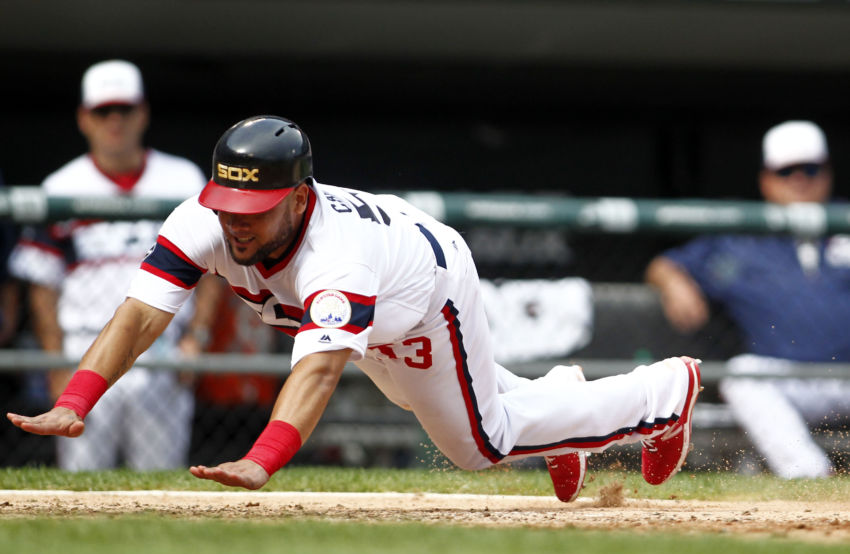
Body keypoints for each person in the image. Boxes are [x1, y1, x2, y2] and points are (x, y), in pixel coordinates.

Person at [8, 115, 702, 501]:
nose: (235, 225)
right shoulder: (203, 218)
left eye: (256, 210)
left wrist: (262, 459)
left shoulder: (334, 260)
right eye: (229, 207)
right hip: (377, 292)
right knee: (428, 403)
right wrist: (78, 397)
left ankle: (661, 393)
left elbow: (315, 373)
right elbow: (139, 316)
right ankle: (557, 395)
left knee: (477, 443)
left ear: (300, 199)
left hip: (424, 289)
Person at [7, 59, 219, 471]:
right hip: (84, 348)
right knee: (81, 476)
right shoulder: (61, 186)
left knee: (160, 480)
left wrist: (198, 335)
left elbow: (214, 269)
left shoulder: (183, 178)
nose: (115, 121)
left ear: (143, 113)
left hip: (163, 349)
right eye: (104, 111)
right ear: (85, 118)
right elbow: (42, 285)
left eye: (124, 109)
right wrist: (56, 363)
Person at [645, 120, 850, 478]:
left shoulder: (844, 219)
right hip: (785, 378)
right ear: (766, 180)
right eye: (786, 171)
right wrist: (673, 281)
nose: (799, 179)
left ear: (828, 174)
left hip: (847, 374)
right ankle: (811, 476)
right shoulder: (742, 237)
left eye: (810, 169)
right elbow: (664, 265)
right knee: (742, 375)